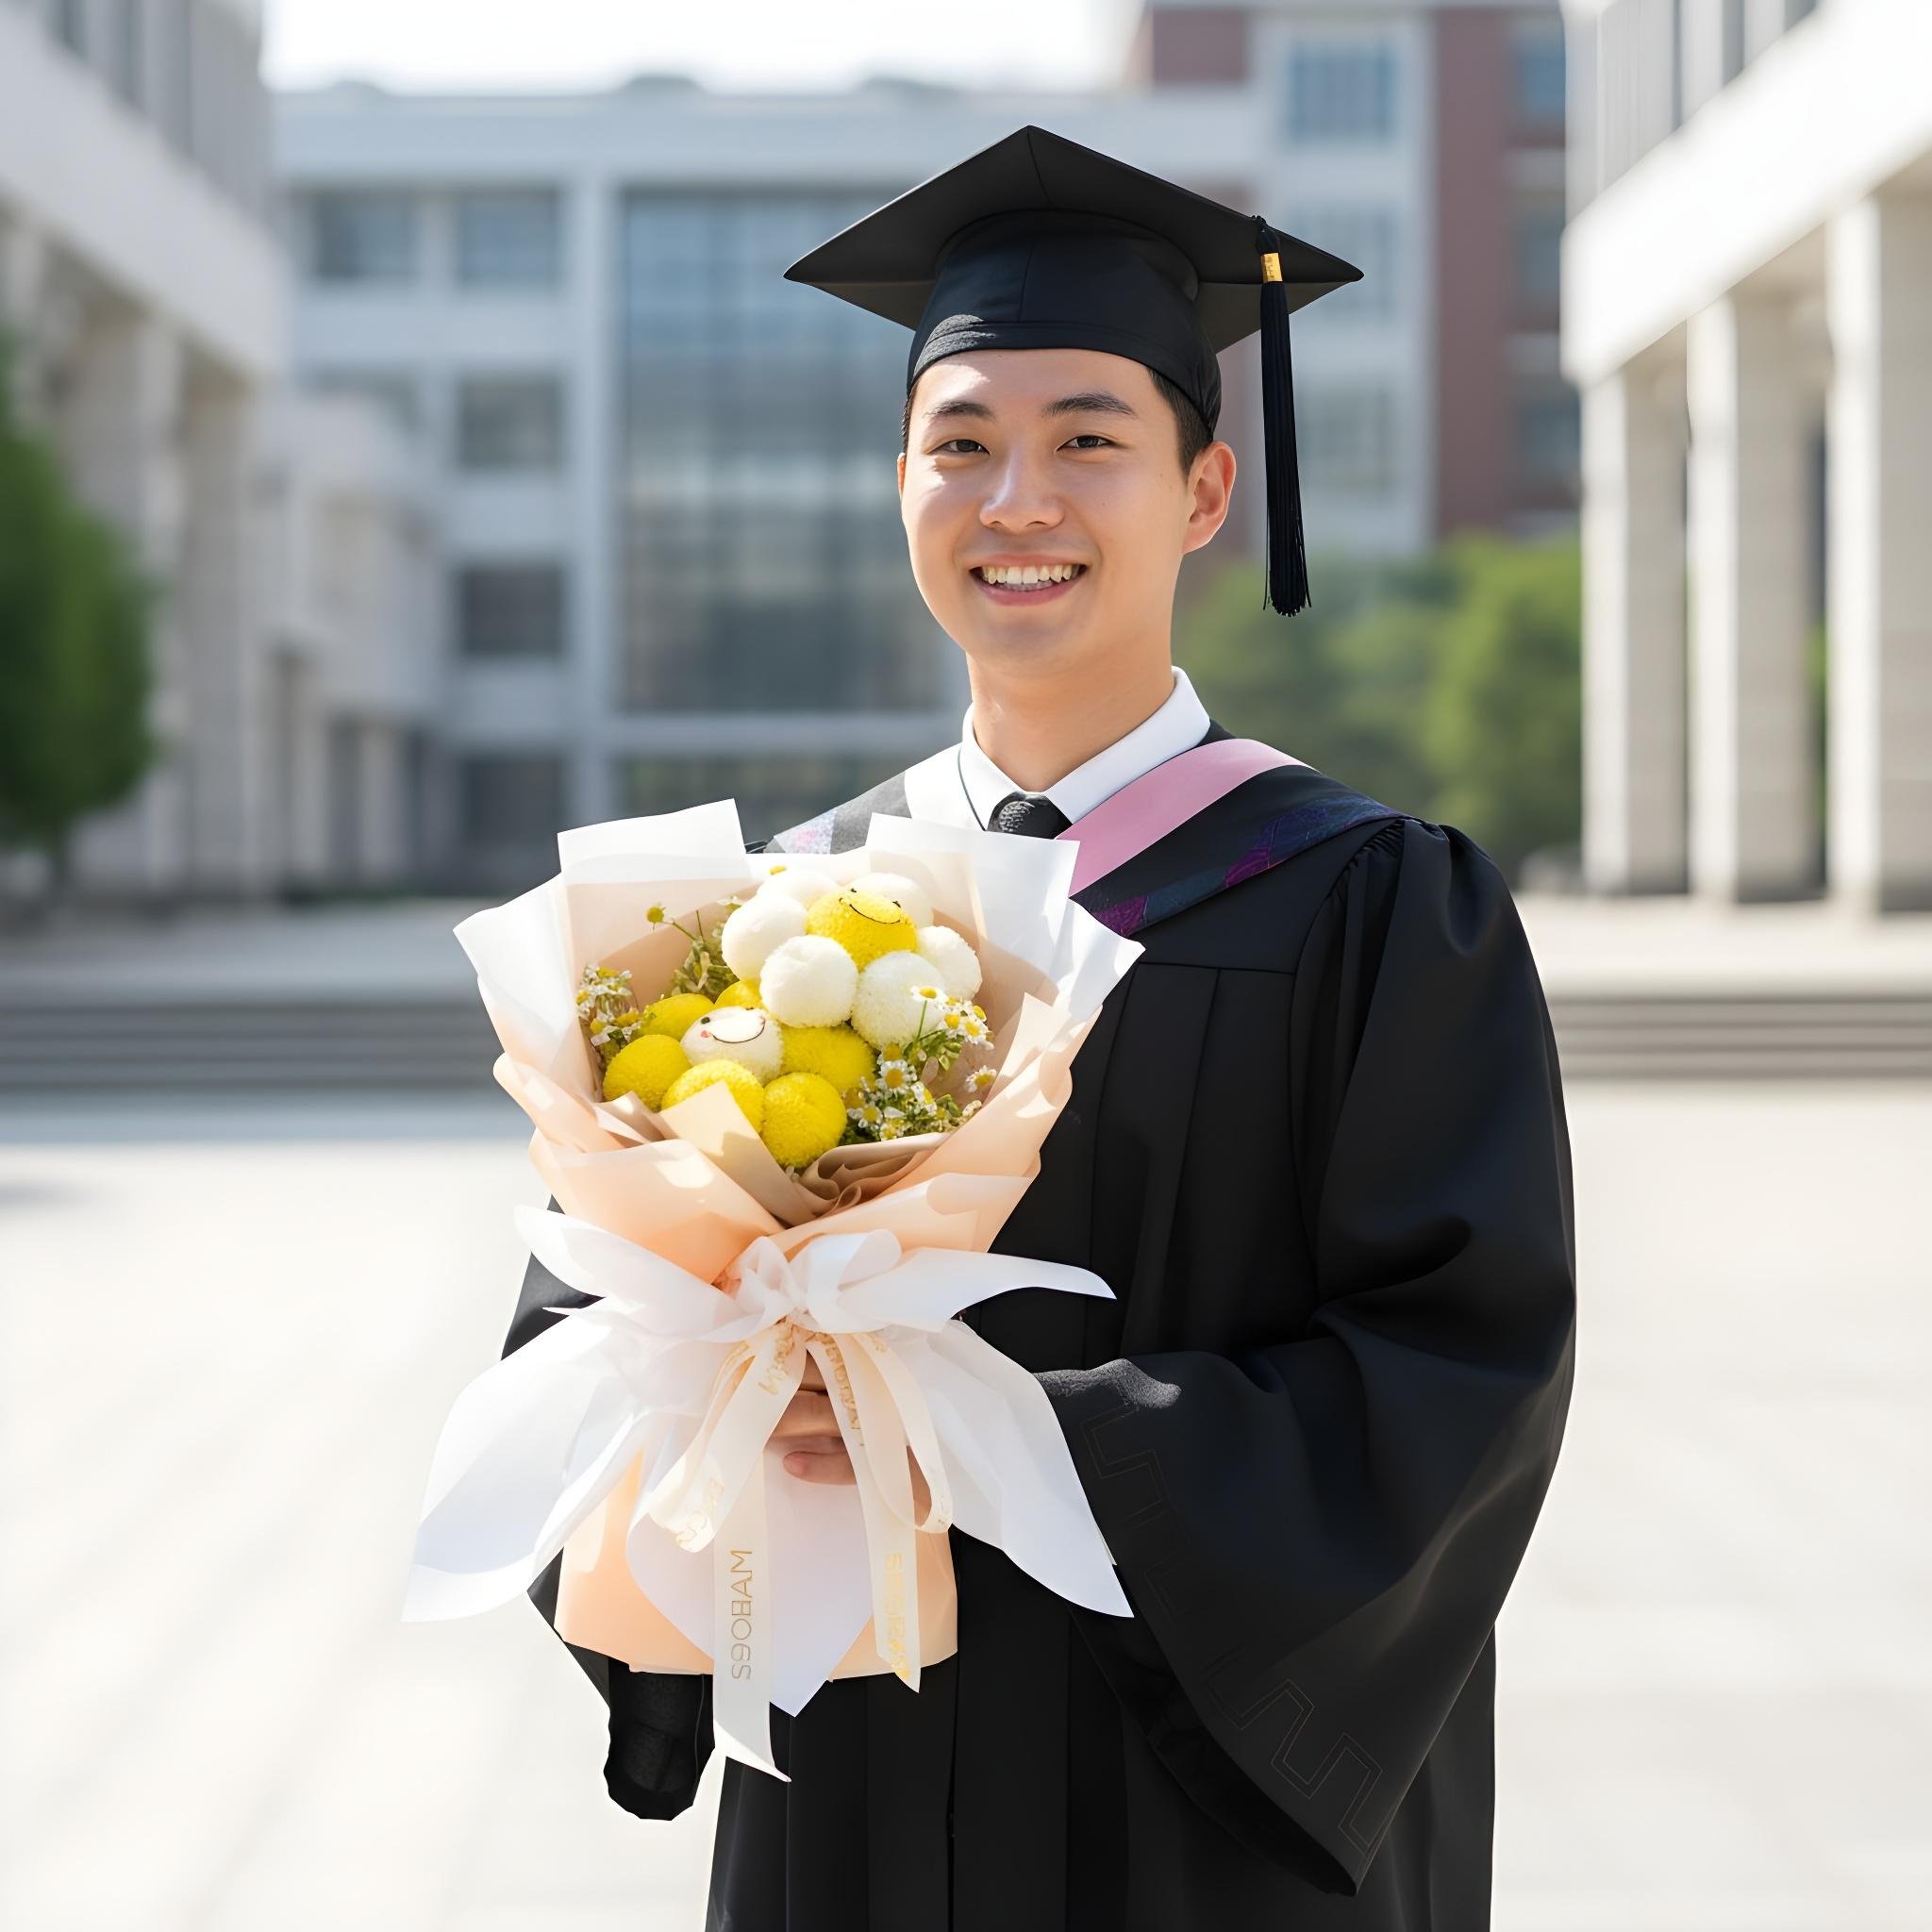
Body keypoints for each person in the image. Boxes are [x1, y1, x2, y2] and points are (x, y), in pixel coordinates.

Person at [501, 125, 1575, 1931]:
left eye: (1091, 441)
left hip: (1202, 1821)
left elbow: (1460, 1374)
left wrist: (1005, 1437)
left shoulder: (1376, 906)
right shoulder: (771, 917)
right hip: (858, 1768)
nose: (1020, 500)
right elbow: (586, 1327)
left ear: (1208, 491)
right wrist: (703, 1400)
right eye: (964, 444)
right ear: (899, 486)